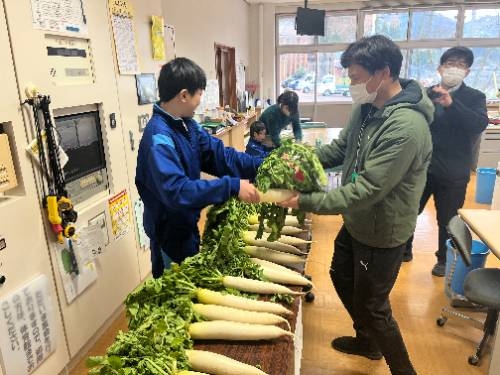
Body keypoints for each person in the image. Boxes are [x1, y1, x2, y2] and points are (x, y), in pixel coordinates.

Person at [279, 35, 433, 375]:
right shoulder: (367, 108)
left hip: (382, 230)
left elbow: (366, 189)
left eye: (355, 77)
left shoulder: (406, 127)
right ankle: (366, 340)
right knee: (339, 273)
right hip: (358, 221)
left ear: (384, 73)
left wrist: (304, 200)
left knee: (375, 307)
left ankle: (402, 368)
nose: (351, 85)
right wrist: (298, 161)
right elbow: (339, 151)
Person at [135, 57, 262, 278]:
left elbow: (223, 157)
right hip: (169, 235)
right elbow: (177, 191)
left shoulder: (188, 125)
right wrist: (231, 186)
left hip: (186, 227)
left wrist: (265, 165)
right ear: (184, 95)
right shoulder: (159, 138)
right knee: (176, 296)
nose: (200, 101)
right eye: (199, 95)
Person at [404, 47, 488, 275]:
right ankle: (403, 249)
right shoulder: (425, 93)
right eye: (451, 63)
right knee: (409, 210)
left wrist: (452, 103)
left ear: (467, 72)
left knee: (448, 219)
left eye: (461, 65)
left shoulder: (475, 97)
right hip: (421, 167)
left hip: (453, 171)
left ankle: (443, 259)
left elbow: (478, 124)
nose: (455, 68)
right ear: (440, 67)